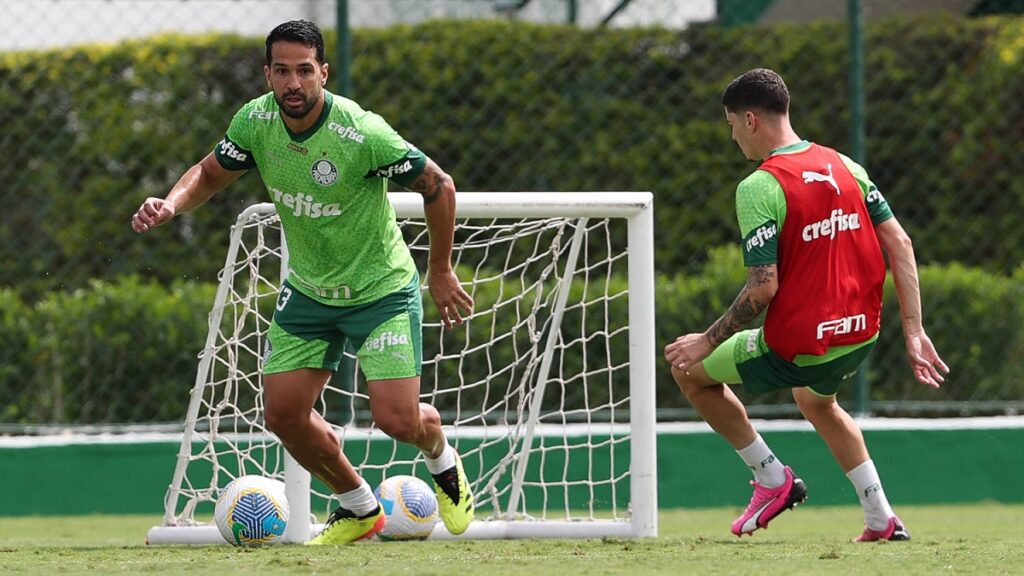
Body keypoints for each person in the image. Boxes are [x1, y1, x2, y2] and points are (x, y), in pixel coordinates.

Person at [131, 20, 475, 545]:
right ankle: (358, 505)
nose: (294, 83)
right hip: (310, 291)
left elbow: (439, 185)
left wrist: (441, 269)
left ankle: (442, 459)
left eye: (305, 71)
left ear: (323, 73)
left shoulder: (361, 132)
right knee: (285, 414)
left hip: (379, 290)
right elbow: (210, 172)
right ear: (268, 74)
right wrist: (171, 202)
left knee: (399, 422)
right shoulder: (255, 121)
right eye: (283, 71)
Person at [664, 68, 949, 542]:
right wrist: (915, 330)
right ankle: (881, 519)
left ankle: (773, 479)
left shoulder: (758, 186)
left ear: (751, 119)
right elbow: (900, 241)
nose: (733, 136)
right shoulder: (845, 165)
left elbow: (761, 289)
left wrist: (705, 341)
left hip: (796, 347)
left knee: (688, 372)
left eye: (732, 124)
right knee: (818, 401)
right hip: (859, 336)